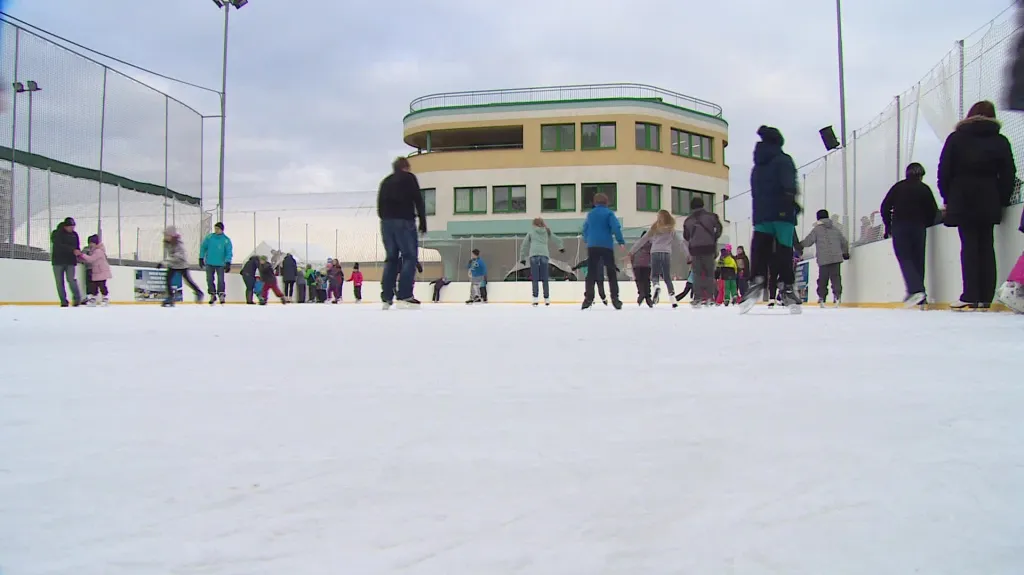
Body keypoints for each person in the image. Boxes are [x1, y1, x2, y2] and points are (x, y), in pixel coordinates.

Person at [937, 100, 1017, 310]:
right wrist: (1002, 199)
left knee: (969, 245)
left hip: (962, 197)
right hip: (989, 196)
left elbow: (944, 170)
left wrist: (948, 196)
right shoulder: (1000, 140)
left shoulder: (956, 139)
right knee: (986, 246)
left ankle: (970, 294)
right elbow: (1009, 174)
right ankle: (985, 297)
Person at [739, 125, 804, 314]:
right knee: (784, 249)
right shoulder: (784, 161)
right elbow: (789, 185)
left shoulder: (757, 167)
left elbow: (756, 192)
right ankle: (787, 286)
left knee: (760, 248)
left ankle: (757, 280)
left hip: (761, 214)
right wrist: (792, 203)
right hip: (783, 213)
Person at [881, 162, 940, 306]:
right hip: (919, 227)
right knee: (918, 259)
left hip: (900, 226)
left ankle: (916, 290)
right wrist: (927, 222)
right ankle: (920, 295)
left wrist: (888, 225)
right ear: (921, 175)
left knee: (905, 258)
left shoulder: (898, 187)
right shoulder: (924, 189)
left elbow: (885, 207)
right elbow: (933, 211)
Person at [377, 156, 427, 309]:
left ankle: (386, 296)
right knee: (409, 256)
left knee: (391, 258)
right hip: (404, 221)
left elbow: (379, 205)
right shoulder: (409, 178)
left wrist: (386, 219)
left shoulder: (385, 181)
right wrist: (422, 221)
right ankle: (405, 294)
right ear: (406, 167)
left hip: (386, 223)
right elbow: (418, 199)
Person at [630, 209, 687, 308]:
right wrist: (688, 254)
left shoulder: (654, 229)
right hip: (666, 253)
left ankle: (656, 286)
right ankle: (673, 299)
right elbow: (680, 242)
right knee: (667, 277)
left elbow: (642, 240)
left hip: (655, 252)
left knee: (654, 275)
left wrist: (632, 251)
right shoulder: (671, 230)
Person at [581, 192, 625, 309]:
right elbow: (616, 227)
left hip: (592, 246)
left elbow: (585, 229)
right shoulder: (609, 213)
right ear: (607, 202)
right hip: (606, 245)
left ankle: (588, 298)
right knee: (611, 272)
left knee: (591, 272)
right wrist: (620, 241)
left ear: (595, 202)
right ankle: (615, 299)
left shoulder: (590, 214)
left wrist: (587, 239)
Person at [799, 209, 850, 308]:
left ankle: (822, 298)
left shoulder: (817, 230)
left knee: (823, 279)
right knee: (836, 278)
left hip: (824, 259)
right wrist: (845, 253)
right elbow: (844, 242)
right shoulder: (835, 229)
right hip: (836, 258)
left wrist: (799, 245)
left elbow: (808, 241)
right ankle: (837, 296)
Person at [682, 196, 723, 307]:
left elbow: (686, 236)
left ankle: (698, 298)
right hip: (709, 247)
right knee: (710, 273)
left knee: (697, 274)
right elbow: (719, 229)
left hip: (695, 249)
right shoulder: (712, 217)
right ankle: (710, 297)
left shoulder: (688, 221)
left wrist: (694, 240)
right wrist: (714, 238)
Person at [519, 217, 565, 306]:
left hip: (534, 255)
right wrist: (561, 247)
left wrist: (522, 258)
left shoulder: (531, 232)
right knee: (545, 278)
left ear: (534, 224)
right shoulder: (547, 231)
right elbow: (557, 239)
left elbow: (524, 245)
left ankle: (535, 299)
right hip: (544, 255)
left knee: (535, 278)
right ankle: (547, 299)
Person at [158, 226, 202, 307]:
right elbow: (170, 254)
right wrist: (166, 262)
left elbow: (178, 256)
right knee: (168, 279)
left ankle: (199, 292)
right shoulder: (166, 243)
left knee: (188, 280)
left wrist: (164, 262)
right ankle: (170, 297)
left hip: (182, 264)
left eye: (167, 235)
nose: (165, 237)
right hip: (172, 264)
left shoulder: (178, 244)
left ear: (172, 235)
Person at [51, 217, 83, 307]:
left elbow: (77, 246)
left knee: (71, 280)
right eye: (70, 227)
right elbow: (59, 246)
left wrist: (78, 252)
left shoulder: (74, 235)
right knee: (59, 282)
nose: (72, 229)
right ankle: (63, 301)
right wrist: (72, 250)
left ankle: (77, 299)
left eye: (73, 227)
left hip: (70, 261)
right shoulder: (56, 233)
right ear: (65, 226)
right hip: (58, 261)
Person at [199, 222, 232, 305]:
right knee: (209, 279)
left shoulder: (226, 240)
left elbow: (229, 252)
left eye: (218, 229)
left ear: (221, 229)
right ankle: (212, 294)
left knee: (220, 280)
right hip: (209, 262)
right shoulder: (209, 237)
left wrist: (228, 262)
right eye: (215, 228)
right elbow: (203, 248)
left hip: (220, 264)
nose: (216, 230)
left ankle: (221, 294)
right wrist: (201, 257)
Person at [78, 234, 112, 306]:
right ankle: (93, 300)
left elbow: (91, 259)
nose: (90, 245)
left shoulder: (98, 251)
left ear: (95, 243)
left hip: (102, 272)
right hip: (96, 272)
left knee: (102, 286)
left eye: (91, 243)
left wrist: (81, 255)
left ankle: (105, 298)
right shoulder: (93, 250)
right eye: (89, 243)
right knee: (94, 286)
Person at [630, 230, 653, 307]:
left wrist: (633, 264)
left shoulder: (637, 244)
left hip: (637, 264)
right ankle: (648, 298)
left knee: (639, 280)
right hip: (647, 265)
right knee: (646, 281)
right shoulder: (651, 245)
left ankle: (641, 293)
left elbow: (632, 254)